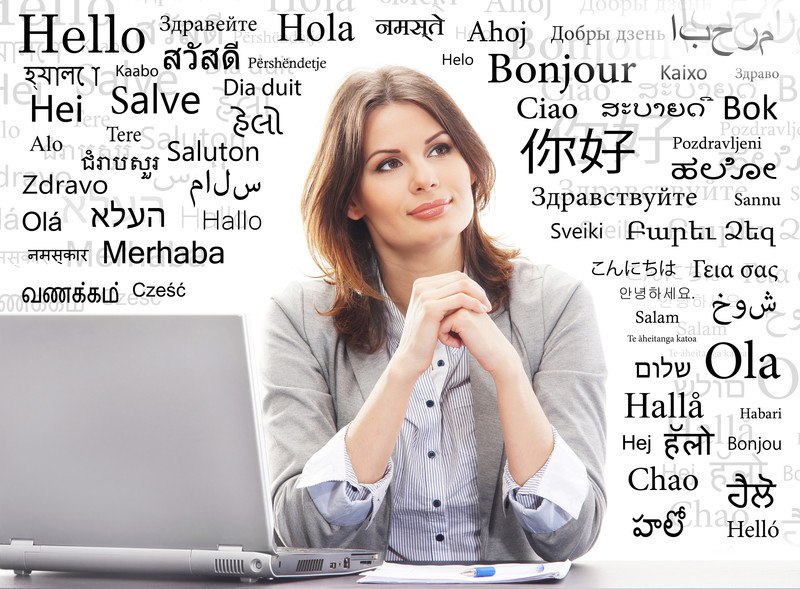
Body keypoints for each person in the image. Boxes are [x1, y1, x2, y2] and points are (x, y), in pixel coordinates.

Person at [262, 66, 606, 563]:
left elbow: (574, 533)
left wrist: (508, 372)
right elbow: (301, 532)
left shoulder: (558, 304)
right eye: (388, 164)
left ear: (469, 164)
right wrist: (403, 370)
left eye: (440, 149)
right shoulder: (298, 317)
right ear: (353, 199)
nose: (425, 178)